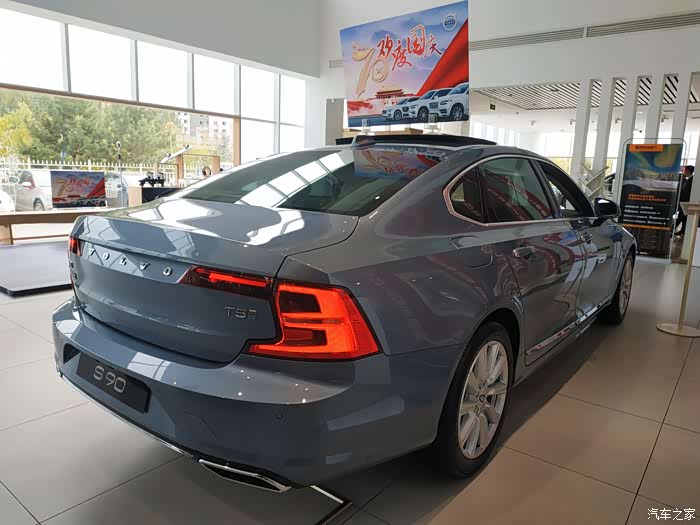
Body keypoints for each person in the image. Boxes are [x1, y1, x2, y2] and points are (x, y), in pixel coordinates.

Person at [676, 165, 695, 236]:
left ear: (687, 171)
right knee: (683, 217)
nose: (684, 172)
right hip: (684, 202)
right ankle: (682, 231)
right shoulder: (689, 179)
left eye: (684, 170)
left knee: (681, 216)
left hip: (686, 202)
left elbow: (688, 192)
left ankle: (673, 228)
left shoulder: (692, 180)